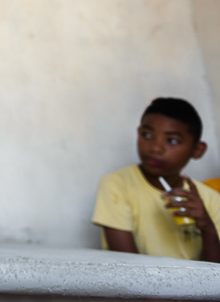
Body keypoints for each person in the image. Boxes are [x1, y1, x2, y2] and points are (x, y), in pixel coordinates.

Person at [92, 97, 220, 262]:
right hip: (139, 286)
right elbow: (127, 266)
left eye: (172, 140)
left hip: (195, 288)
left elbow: (214, 275)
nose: (155, 148)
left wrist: (207, 227)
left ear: (197, 150)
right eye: (147, 134)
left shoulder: (211, 200)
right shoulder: (118, 184)